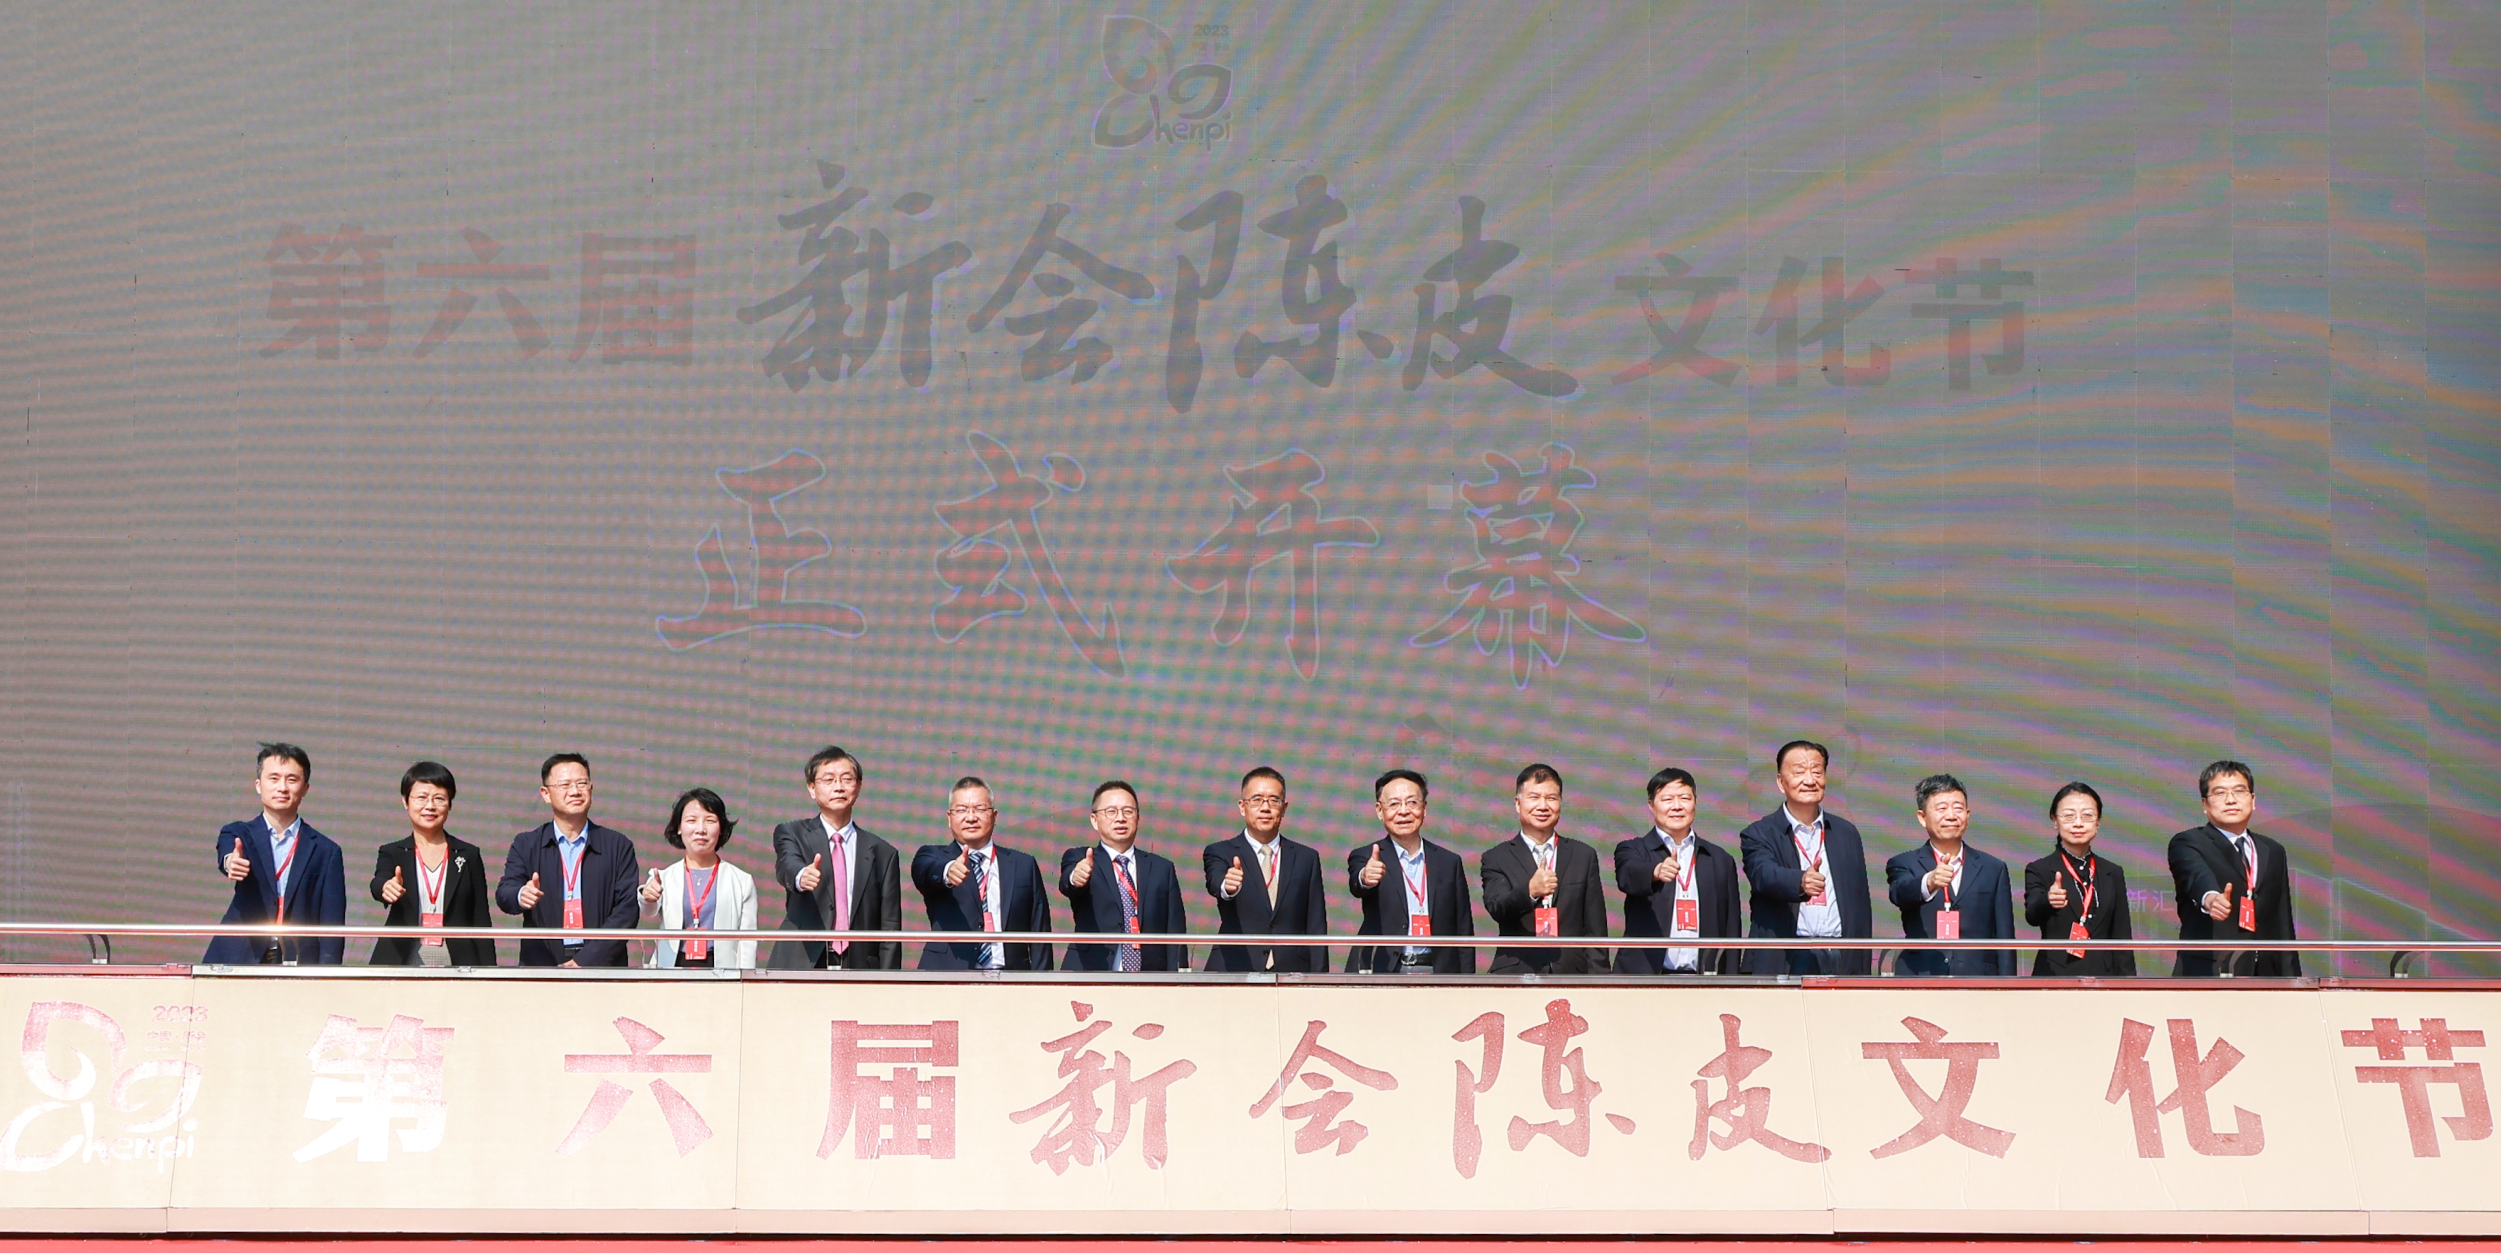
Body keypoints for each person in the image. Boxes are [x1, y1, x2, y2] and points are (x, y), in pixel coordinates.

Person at [1740, 740, 1874, 975]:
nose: (1810, 780)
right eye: (1799, 772)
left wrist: (1861, 961)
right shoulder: (1759, 833)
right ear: (1781, 782)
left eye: (1817, 772)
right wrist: (1800, 882)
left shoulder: (1846, 833)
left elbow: (1860, 903)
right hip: (1788, 957)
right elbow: (1764, 874)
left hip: (1841, 954)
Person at [206, 743, 346, 966]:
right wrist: (231, 862)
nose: (282, 787)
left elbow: (332, 925)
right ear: (258, 785)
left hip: (298, 960)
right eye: (273, 778)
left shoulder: (326, 851)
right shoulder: (239, 833)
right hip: (240, 956)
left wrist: (328, 973)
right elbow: (228, 853)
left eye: (292, 780)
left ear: (305, 788)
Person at [495, 753, 639, 967]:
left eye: (581, 783)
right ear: (546, 794)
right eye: (565, 785)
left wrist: (586, 960)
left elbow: (626, 911)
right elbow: (505, 893)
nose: (575, 791)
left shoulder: (618, 845)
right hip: (543, 964)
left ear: (591, 789)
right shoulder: (527, 844)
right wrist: (521, 894)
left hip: (602, 965)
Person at [767, 746, 903, 971]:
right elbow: (787, 864)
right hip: (803, 964)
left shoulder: (883, 853)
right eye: (828, 780)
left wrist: (889, 981)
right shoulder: (792, 833)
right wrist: (801, 876)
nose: (838, 787)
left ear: (858, 786)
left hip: (860, 967)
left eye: (847, 779)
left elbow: (890, 927)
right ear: (812, 788)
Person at [2169, 760, 2300, 977]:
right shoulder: (2189, 842)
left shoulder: (2273, 850)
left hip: (2266, 975)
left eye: (2239, 791)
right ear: (2205, 804)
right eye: (2219, 793)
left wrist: (2292, 979)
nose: (2231, 800)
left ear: (2253, 800)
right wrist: (2211, 899)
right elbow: (2196, 875)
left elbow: (2283, 921)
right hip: (2210, 972)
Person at [910, 777, 1052, 971]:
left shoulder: (1023, 864)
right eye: (961, 810)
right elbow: (924, 872)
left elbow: (1040, 931)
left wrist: (1042, 982)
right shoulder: (933, 856)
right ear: (949, 818)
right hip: (947, 976)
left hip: (1011, 978)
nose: (971, 818)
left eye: (979, 809)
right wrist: (948, 871)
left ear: (994, 816)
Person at [1481, 764, 1610, 974]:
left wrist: (1600, 981)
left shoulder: (1583, 855)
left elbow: (1595, 928)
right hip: (1517, 972)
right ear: (1518, 804)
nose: (1543, 806)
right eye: (1534, 797)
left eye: (1551, 798)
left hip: (1571, 973)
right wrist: (1529, 892)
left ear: (1560, 803)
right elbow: (1498, 907)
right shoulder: (1496, 857)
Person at [1347, 769, 1477, 975]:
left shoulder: (1449, 862)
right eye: (1394, 804)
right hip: (1385, 970)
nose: (1404, 811)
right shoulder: (1366, 855)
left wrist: (1467, 981)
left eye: (1412, 802)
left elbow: (1463, 929)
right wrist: (1365, 877)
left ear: (1424, 809)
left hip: (1438, 972)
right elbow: (1358, 884)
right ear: (1379, 811)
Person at [1884, 774, 2016, 976]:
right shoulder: (1903, 863)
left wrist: (2008, 986)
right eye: (1941, 808)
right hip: (1921, 977)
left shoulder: (1993, 868)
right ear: (1922, 817)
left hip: (1978, 979)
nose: (1951, 816)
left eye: (1958, 808)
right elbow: (1899, 893)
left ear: (1967, 814)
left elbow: (2005, 937)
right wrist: (1929, 882)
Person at [1614, 767, 1742, 975]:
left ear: (1695, 802)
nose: (1676, 806)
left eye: (1684, 798)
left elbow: (1731, 926)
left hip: (1704, 978)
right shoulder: (1634, 849)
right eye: (1667, 799)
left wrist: (1731, 979)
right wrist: (1655, 871)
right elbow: (1627, 875)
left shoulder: (1720, 859)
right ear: (1651, 805)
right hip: (1645, 977)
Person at [1203, 767, 1330, 973]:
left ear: (1284, 808)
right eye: (1256, 800)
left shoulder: (1306, 858)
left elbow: (1316, 924)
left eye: (1273, 800)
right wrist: (1228, 886)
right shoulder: (1220, 851)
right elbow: (1216, 883)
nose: (1265, 808)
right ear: (1242, 807)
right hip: (1235, 967)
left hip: (1293, 971)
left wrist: (1319, 978)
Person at [369, 761, 495, 968]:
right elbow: (378, 881)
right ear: (405, 801)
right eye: (421, 797)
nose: (430, 806)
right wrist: (385, 887)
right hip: (403, 955)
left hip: (458, 957)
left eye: (439, 798)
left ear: (450, 804)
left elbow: (480, 917)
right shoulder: (392, 852)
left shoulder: (468, 854)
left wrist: (490, 972)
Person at [1059, 781, 1188, 972]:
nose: (1120, 818)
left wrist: (1179, 974)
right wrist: (1076, 877)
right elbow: (1068, 883)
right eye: (1111, 811)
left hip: (1149, 976)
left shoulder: (1162, 868)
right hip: (1091, 972)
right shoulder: (1081, 858)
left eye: (1128, 811)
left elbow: (1175, 928)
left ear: (1138, 818)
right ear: (1094, 820)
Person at [2023, 781, 2136, 976]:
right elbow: (2032, 915)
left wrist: (2128, 984)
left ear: (2098, 822)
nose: (2078, 823)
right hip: (2055, 976)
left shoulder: (2112, 872)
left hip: (2104, 978)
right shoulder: (2040, 869)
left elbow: (2122, 935)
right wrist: (2048, 901)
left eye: (2087, 815)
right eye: (2068, 816)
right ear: (2055, 821)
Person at [640, 787, 758, 969]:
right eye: (691, 821)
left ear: (721, 828)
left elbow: (748, 942)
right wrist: (647, 896)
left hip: (722, 971)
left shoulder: (741, 881)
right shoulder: (664, 877)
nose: (700, 829)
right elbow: (649, 910)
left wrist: (744, 978)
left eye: (710, 821)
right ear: (679, 828)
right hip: (672, 969)